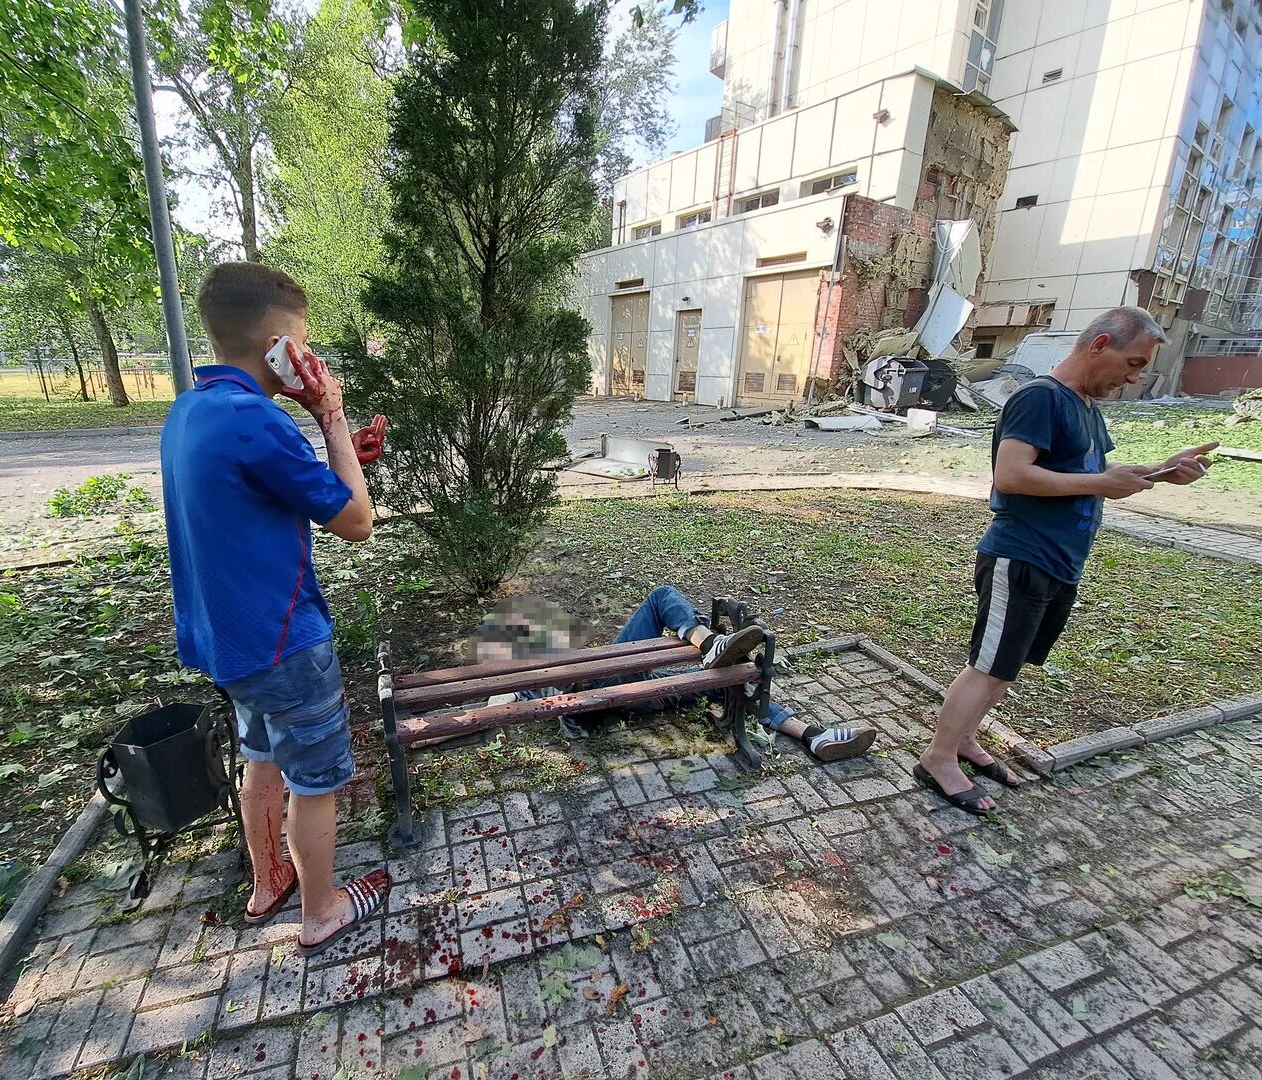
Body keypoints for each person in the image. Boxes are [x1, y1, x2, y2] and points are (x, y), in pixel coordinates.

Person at [161, 262, 391, 955]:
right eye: (303, 341)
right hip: (285, 642)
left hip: (228, 644)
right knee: (314, 782)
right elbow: (357, 523)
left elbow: (258, 496)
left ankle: (269, 882)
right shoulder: (260, 421)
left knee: (261, 757)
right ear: (276, 347)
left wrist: (343, 457)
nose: (312, 356)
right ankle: (320, 912)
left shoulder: (192, 409)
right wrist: (333, 417)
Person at [915, 307, 1217, 814]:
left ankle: (965, 741)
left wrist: (1163, 471)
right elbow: (1011, 476)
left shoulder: (1087, 409)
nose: (1135, 376)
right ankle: (937, 758)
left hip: (1059, 561)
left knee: (1006, 669)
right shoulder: (1040, 397)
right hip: (1022, 554)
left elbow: (1092, 474)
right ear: (1100, 345)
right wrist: (1104, 482)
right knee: (987, 667)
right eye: (1134, 362)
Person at [487, 586, 876, 762]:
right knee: (662, 598)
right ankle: (709, 643)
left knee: (730, 681)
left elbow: (492, 707)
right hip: (604, 683)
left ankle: (812, 736)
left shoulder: (528, 671)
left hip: (637, 692)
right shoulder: (528, 676)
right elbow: (491, 708)